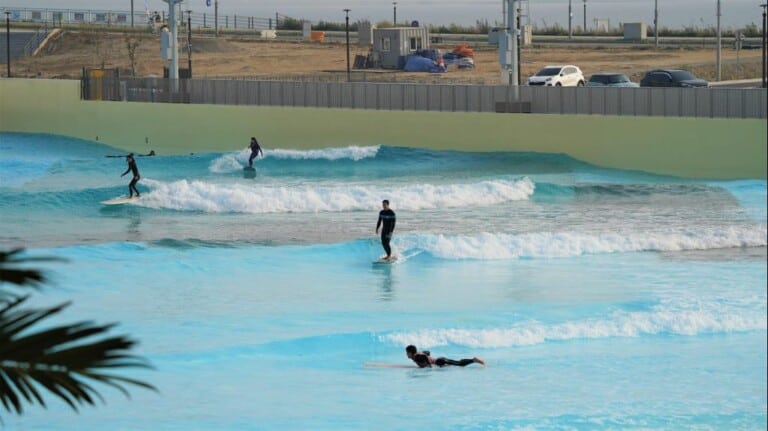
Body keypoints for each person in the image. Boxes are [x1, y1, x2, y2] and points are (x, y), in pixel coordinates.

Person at [405, 345, 485, 368]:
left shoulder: (416, 357)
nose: (406, 354)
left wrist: (430, 366)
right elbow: (427, 353)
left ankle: (473, 360)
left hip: (440, 361)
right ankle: (473, 360)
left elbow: (424, 356)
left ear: (411, 353)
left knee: (459, 364)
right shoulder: (417, 355)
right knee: (458, 363)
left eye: (407, 353)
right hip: (440, 360)